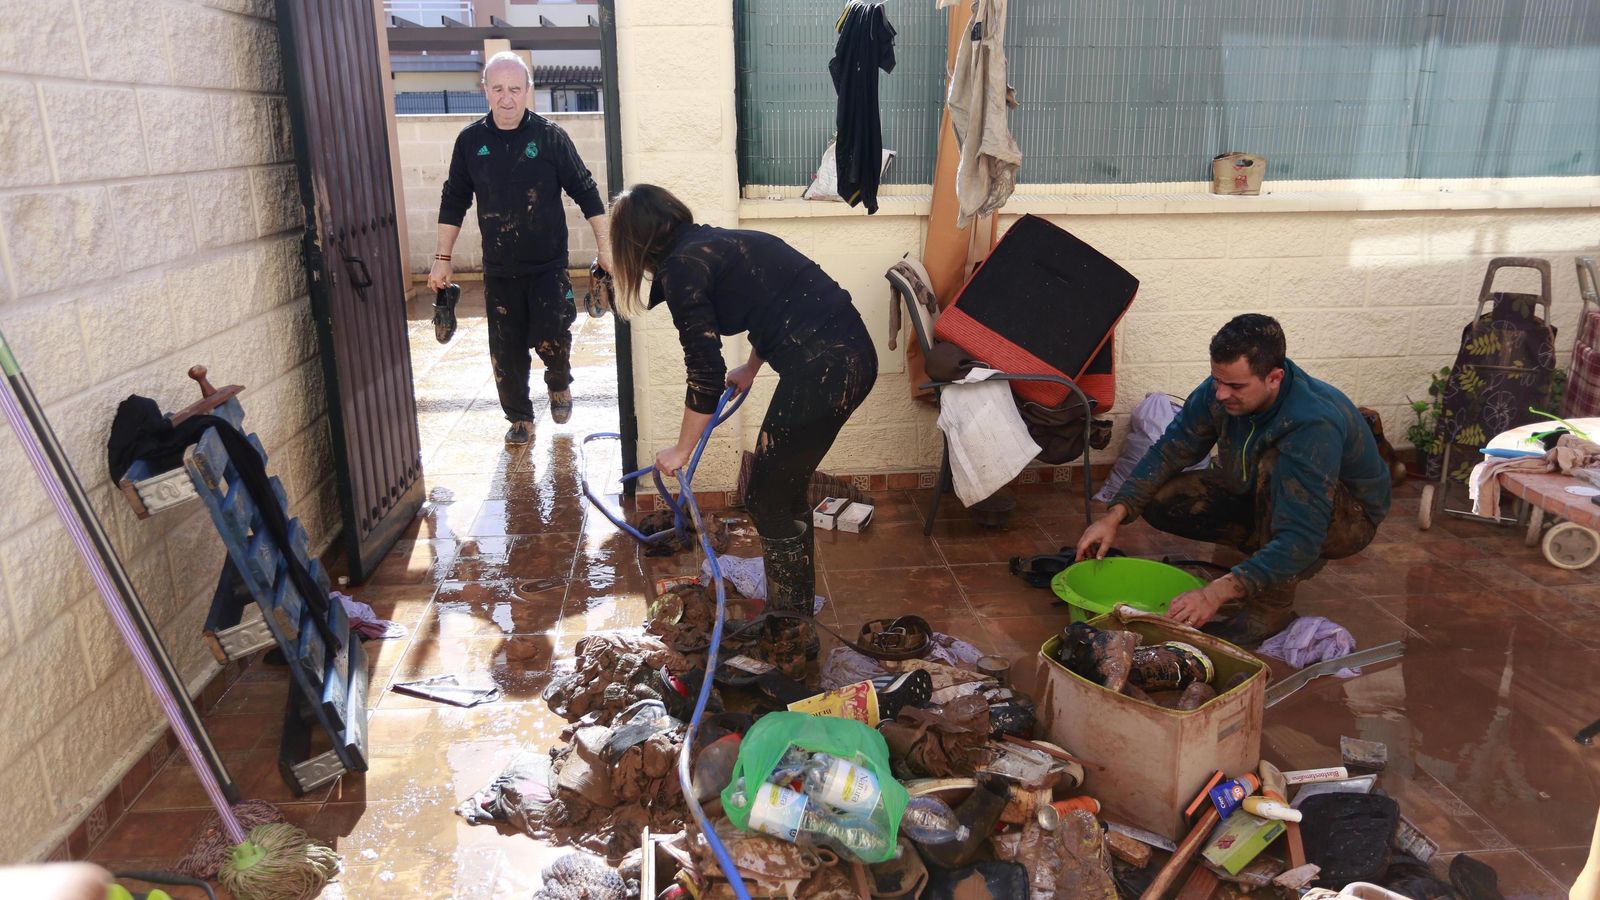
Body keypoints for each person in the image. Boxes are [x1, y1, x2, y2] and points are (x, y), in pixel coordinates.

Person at [608, 184, 878, 632]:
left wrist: (680, 450)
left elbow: (704, 374)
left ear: (634, 243)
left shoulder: (683, 269)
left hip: (827, 370)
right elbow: (771, 304)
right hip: (844, 357)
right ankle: (792, 609)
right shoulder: (714, 244)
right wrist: (752, 367)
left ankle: (788, 624)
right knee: (781, 490)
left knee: (766, 495)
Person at [1076, 314, 1392, 645]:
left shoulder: (1312, 423)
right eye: (1217, 381)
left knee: (1278, 476)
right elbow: (1169, 452)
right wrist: (1115, 515)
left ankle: (1270, 607)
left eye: (1235, 386)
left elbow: (1302, 534)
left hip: (1347, 519)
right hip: (1264, 490)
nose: (1222, 394)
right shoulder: (1219, 392)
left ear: (1274, 378)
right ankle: (1266, 558)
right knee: (1163, 500)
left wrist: (1215, 594)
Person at [429, 51, 610, 442]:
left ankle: (559, 383)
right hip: (499, 270)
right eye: (497, 89)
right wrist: (442, 259)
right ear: (485, 91)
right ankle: (520, 418)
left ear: (528, 91)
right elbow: (453, 199)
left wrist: (605, 248)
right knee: (506, 353)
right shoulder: (470, 142)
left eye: (514, 88)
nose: (506, 97)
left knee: (554, 335)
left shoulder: (549, 137)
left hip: (547, 266)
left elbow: (587, 191)